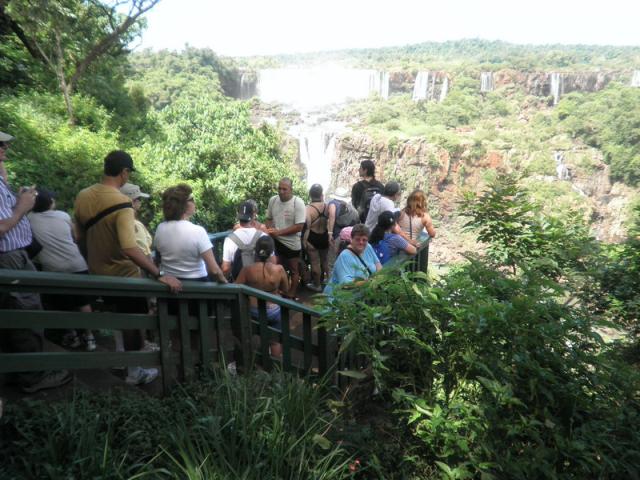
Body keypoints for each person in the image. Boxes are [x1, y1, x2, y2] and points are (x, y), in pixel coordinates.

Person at [75, 150, 181, 386]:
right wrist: (160, 274)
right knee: (133, 323)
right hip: (124, 276)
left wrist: (94, 261)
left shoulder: (83, 195)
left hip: (97, 274)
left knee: (117, 320)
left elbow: (79, 236)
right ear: (124, 172)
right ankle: (134, 371)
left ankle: (122, 361)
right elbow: (129, 248)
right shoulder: (122, 202)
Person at [0, 130, 71, 393]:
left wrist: (19, 201)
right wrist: (21, 208)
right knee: (24, 315)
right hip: (10, 258)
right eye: (0, 146)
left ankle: (20, 369)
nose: (5, 149)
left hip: (15, 257)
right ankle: (32, 376)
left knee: (18, 313)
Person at [27, 188, 96, 351]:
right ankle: (90, 336)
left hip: (52, 269)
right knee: (83, 302)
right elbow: (76, 237)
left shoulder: (29, 219)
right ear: (50, 203)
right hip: (76, 264)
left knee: (61, 305)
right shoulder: (63, 216)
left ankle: (71, 335)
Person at [154, 184, 227, 284]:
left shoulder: (160, 228)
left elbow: (158, 259)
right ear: (185, 205)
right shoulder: (198, 231)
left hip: (168, 287)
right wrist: (225, 283)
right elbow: (214, 270)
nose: (194, 202)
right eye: (192, 199)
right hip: (197, 287)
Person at [235, 236, 288, 357]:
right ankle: (275, 369)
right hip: (274, 310)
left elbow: (236, 288)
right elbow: (286, 289)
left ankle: (247, 364)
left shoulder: (247, 270)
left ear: (256, 250)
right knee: (275, 341)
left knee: (247, 336)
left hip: (253, 311)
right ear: (272, 251)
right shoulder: (279, 269)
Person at [265, 178, 305, 300]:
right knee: (274, 266)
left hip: (292, 243)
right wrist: (269, 229)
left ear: (291, 190)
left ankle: (291, 293)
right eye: (279, 188)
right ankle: (278, 291)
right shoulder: (273, 200)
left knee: (293, 269)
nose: (281, 191)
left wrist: (279, 232)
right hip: (275, 241)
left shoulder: (297, 202)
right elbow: (268, 218)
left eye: (284, 189)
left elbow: (299, 226)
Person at [324, 224, 382, 296]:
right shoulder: (345, 256)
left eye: (364, 240)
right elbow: (346, 285)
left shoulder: (368, 247)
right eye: (357, 239)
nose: (361, 242)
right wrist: (369, 282)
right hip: (340, 298)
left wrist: (379, 276)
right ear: (351, 239)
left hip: (362, 293)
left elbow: (377, 263)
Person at [222, 200, 269, 280]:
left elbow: (226, 268)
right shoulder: (263, 236)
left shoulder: (230, 239)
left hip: (239, 283)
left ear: (238, 215)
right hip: (259, 283)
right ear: (253, 215)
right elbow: (271, 261)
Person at [326, 187, 360, 274]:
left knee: (331, 261)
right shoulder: (348, 206)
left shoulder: (333, 204)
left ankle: (331, 284)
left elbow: (331, 217)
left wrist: (330, 234)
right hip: (347, 237)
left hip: (336, 236)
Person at [304, 184, 329, 293]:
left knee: (315, 262)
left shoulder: (308, 209)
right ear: (321, 194)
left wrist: (304, 240)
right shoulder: (327, 206)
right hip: (324, 236)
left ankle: (317, 285)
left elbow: (307, 226)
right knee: (325, 261)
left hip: (312, 236)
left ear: (310, 194)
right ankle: (328, 284)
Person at [119, 183, 153, 257]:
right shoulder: (134, 224)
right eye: (139, 199)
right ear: (133, 202)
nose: (140, 202)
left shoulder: (116, 220)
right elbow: (144, 252)